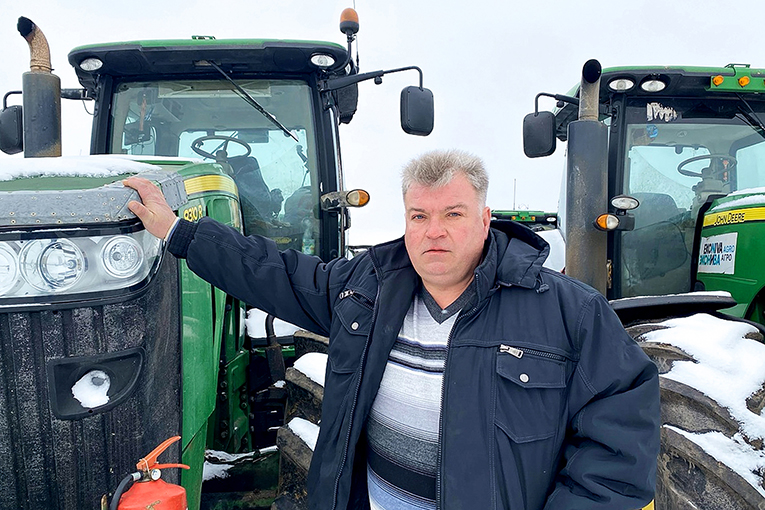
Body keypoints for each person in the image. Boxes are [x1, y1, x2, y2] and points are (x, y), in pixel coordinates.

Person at [124, 149, 660, 510]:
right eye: (419, 217)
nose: (435, 233)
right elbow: (274, 273)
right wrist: (178, 232)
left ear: (486, 218)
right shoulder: (366, 290)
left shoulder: (567, 311)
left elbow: (618, 448)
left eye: (453, 214)